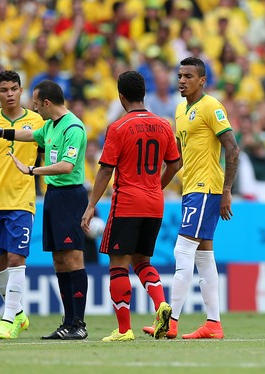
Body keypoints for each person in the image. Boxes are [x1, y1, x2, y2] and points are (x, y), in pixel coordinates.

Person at [0, 80, 89, 340]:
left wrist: (32, 170)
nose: (34, 109)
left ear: (47, 103)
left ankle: (78, 323)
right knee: (59, 261)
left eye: (37, 104)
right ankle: (68, 322)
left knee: (72, 259)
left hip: (71, 196)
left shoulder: (74, 127)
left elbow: (66, 166)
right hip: (53, 196)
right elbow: (27, 135)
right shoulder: (50, 125)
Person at [143, 57, 240, 339]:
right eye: (180, 75)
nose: (182, 80)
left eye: (188, 76)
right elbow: (177, 158)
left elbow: (232, 150)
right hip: (191, 189)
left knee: (182, 250)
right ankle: (213, 324)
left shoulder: (212, 107)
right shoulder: (181, 111)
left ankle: (170, 321)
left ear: (202, 80)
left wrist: (226, 190)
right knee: (204, 256)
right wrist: (156, 186)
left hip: (206, 187)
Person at [81, 71, 181, 342]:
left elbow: (104, 171)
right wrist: (157, 186)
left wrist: (91, 206)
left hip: (126, 203)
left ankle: (124, 329)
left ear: (121, 96)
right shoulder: (163, 124)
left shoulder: (117, 127)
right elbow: (174, 163)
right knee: (142, 261)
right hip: (154, 203)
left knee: (118, 265)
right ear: (144, 94)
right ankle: (161, 304)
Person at [0, 70, 44, 339]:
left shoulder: (37, 121)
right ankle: (19, 314)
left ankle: (7, 320)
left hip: (22, 199)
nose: (10, 94)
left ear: (21, 90)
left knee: (16, 258)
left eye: (14, 88)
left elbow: (47, 156)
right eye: (4, 90)